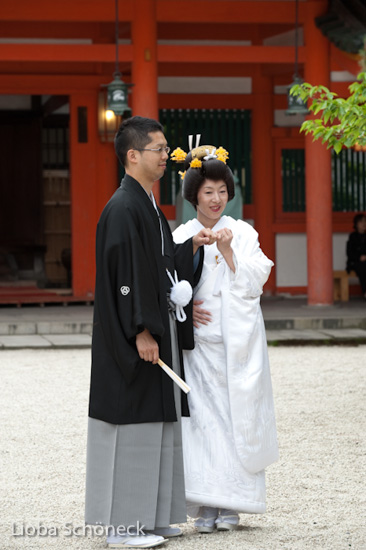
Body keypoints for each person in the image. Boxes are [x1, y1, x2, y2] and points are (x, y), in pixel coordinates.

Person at [85, 117, 215, 549]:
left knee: (159, 422)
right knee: (132, 424)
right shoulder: (122, 208)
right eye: (158, 149)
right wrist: (141, 328)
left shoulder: (147, 204)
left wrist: (189, 249)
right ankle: (123, 527)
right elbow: (124, 278)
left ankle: (154, 517)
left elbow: (158, 262)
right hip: (133, 338)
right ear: (132, 155)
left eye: (165, 148)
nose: (166, 155)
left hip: (154, 331)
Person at [172, 143, 279, 533]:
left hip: (236, 343)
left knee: (236, 416)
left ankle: (233, 502)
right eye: (207, 192)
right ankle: (205, 504)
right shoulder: (183, 233)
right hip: (199, 345)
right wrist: (185, 305)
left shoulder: (245, 233)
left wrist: (230, 252)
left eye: (222, 192)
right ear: (194, 195)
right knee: (201, 420)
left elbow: (256, 281)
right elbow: (168, 282)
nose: (216, 200)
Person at [346, 213, 366, 299]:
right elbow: (349, 253)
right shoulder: (352, 237)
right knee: (363, 267)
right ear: (356, 224)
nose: (364, 224)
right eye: (361, 222)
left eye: (365, 221)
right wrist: (359, 257)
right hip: (356, 262)